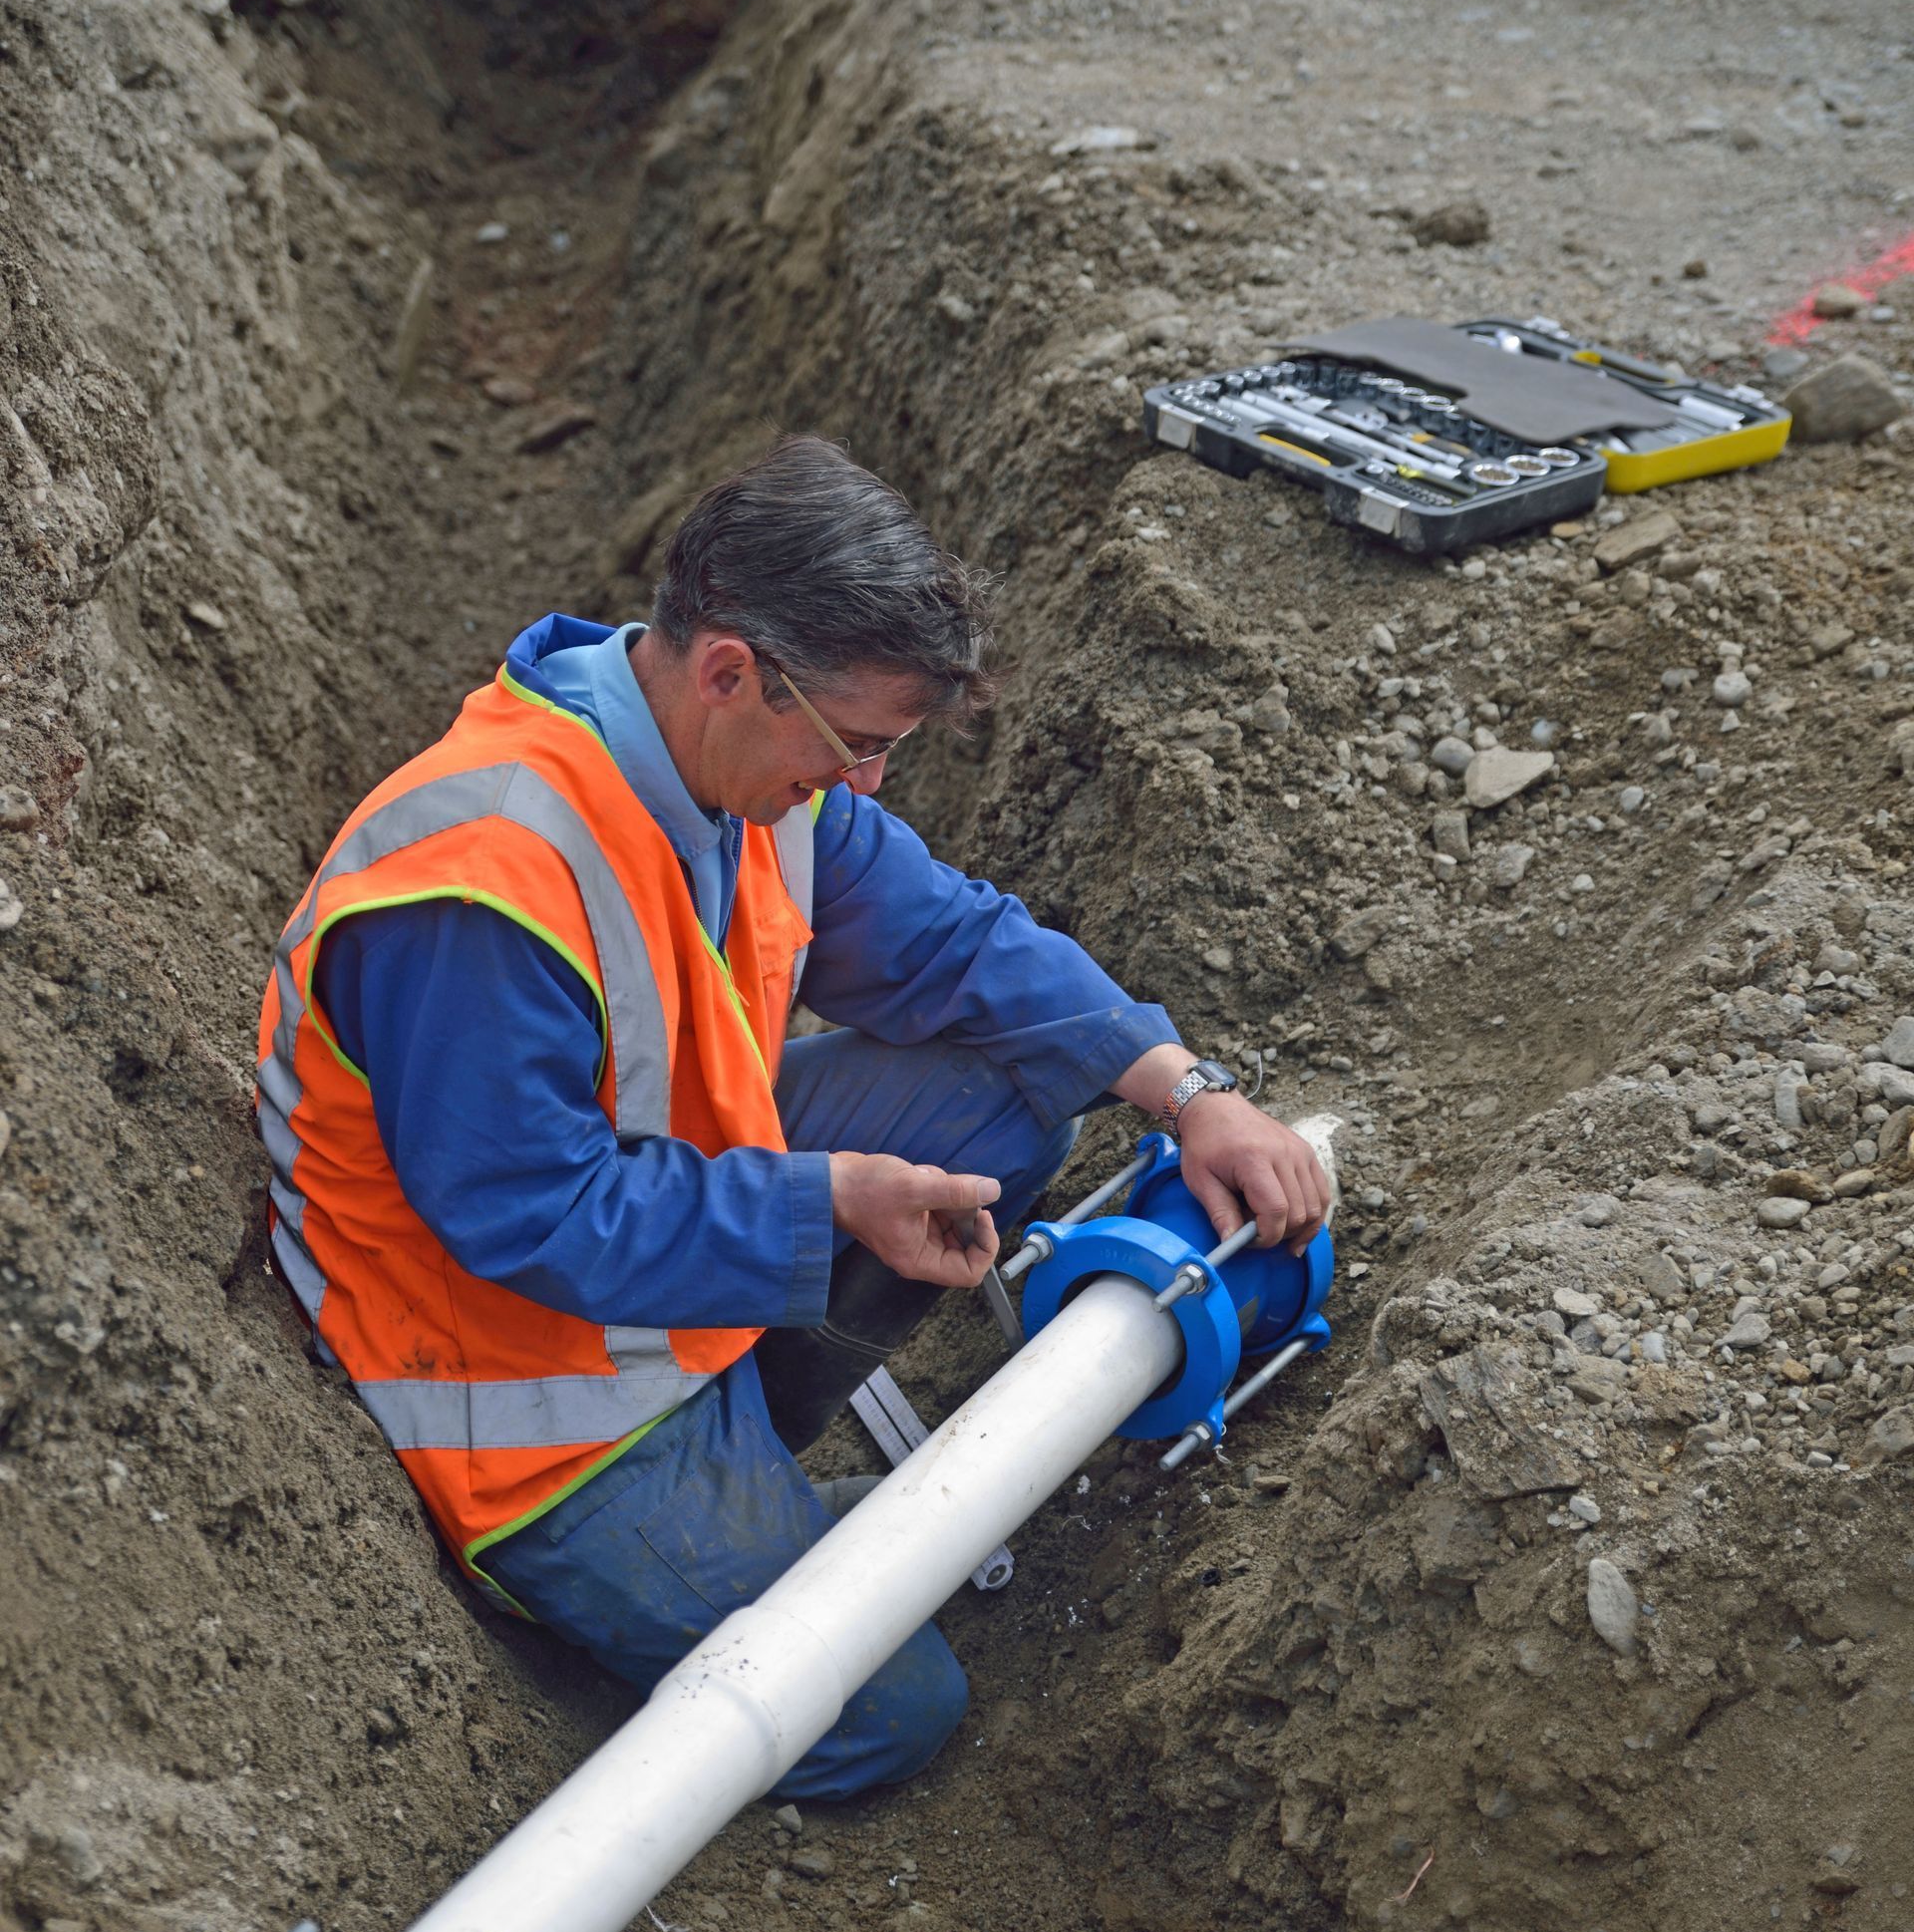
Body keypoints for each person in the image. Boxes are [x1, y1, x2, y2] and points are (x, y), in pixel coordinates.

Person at [257, 438, 1329, 1797]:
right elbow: (532, 1213)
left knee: (999, 1103)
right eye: (861, 744)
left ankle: (741, 1461)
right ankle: (606, 1586)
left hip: (673, 1245)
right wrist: (824, 1204)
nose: (869, 783)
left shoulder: (746, 773)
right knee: (890, 1704)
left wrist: (1191, 1092)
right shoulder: (481, 888)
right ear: (729, 670)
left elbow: (955, 945)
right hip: (528, 1392)